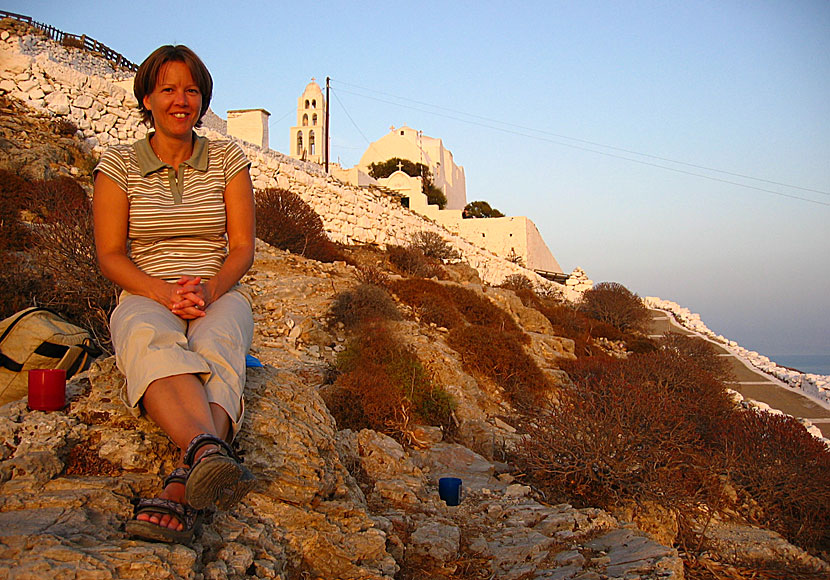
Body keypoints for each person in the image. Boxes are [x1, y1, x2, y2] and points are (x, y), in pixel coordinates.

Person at [93, 45, 257, 544]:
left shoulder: (228, 157)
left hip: (218, 288)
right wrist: (165, 294)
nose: (180, 100)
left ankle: (185, 476)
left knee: (220, 345)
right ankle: (208, 452)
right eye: (168, 89)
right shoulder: (118, 164)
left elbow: (243, 247)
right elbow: (111, 255)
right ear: (147, 98)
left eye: (191, 89)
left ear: (203, 100)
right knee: (146, 337)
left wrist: (208, 289)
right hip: (146, 289)